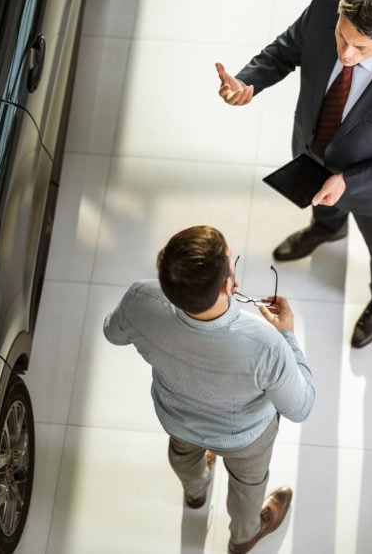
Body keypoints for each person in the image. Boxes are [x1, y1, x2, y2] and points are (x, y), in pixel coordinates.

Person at [215, 0, 372, 349]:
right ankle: (327, 229)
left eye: (360, 48)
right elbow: (286, 50)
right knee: (320, 201)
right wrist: (248, 83)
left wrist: (351, 179)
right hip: (314, 149)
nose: (345, 54)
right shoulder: (327, 3)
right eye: (342, 37)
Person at [104, 225, 315, 553]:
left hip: (179, 420)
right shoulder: (266, 345)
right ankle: (244, 537)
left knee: (184, 455)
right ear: (227, 286)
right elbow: (301, 407)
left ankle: (196, 490)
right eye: (232, 268)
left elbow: (112, 334)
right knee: (247, 487)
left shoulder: (140, 299)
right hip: (245, 438)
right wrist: (288, 335)